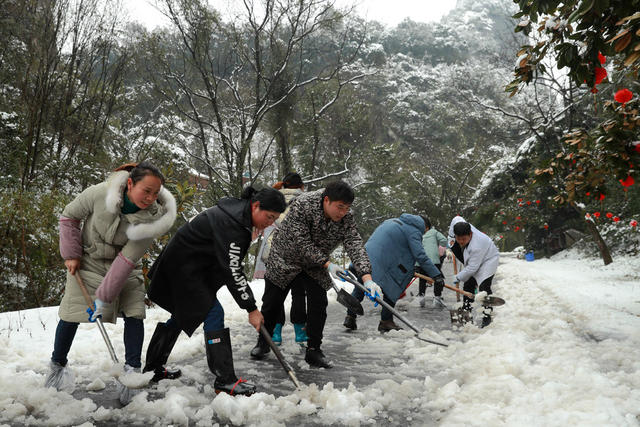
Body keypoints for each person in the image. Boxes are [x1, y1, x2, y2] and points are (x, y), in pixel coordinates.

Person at [45, 161, 177, 399]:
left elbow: (126, 261)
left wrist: (104, 299)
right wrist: (72, 254)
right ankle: (56, 368)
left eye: (155, 194)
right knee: (70, 314)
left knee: (134, 312)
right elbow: (69, 217)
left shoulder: (152, 220)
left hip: (125, 267)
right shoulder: (100, 193)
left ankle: (131, 374)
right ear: (129, 184)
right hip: (88, 262)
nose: (150, 198)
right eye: (145, 191)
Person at [144, 186, 286, 396]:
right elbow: (233, 270)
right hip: (182, 269)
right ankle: (225, 380)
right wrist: (251, 308)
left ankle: (152, 369)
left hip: (187, 267)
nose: (270, 223)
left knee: (184, 314)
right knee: (213, 312)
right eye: (269, 216)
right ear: (255, 206)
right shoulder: (233, 223)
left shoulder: (237, 214)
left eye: (274, 218)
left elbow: (227, 264)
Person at [250, 180, 377, 369]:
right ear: (326, 200)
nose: (342, 212)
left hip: (315, 265)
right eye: (339, 207)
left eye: (347, 208)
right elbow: (300, 242)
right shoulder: (304, 204)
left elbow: (354, 243)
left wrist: (367, 278)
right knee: (272, 303)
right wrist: (328, 264)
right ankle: (263, 343)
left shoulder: (346, 217)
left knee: (319, 303)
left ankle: (314, 349)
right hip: (285, 258)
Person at [343, 214, 445, 332]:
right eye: (425, 232)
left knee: (361, 285)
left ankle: (350, 317)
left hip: (365, 257)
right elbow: (420, 255)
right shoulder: (414, 230)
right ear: (425, 227)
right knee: (392, 288)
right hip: (382, 262)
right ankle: (386, 321)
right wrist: (436, 275)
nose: (423, 234)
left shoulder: (392, 221)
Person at [254, 172, 308, 346]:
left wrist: (274, 188)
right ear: (301, 186)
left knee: (274, 295)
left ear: (283, 185)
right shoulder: (305, 200)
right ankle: (300, 332)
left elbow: (257, 197)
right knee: (299, 294)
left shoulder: (273, 200)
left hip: (274, 252)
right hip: (298, 254)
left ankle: (275, 332)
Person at [452, 220, 500, 327]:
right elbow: (456, 219)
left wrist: (458, 277)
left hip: (488, 260)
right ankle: (466, 313)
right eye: (458, 239)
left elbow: (472, 268)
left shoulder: (477, 245)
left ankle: (487, 316)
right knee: (468, 285)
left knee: (484, 288)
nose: (461, 242)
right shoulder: (457, 225)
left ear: (471, 234)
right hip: (476, 261)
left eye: (463, 239)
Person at [414, 217, 449, 309]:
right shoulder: (434, 232)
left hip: (422, 261)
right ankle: (437, 298)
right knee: (437, 279)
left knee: (422, 280)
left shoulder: (418, 235)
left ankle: (421, 298)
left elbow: (417, 249)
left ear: (426, 228)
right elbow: (444, 241)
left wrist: (416, 265)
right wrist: (440, 246)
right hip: (434, 261)